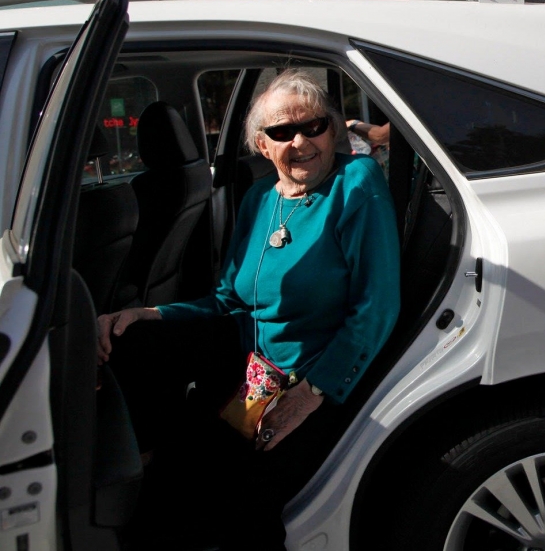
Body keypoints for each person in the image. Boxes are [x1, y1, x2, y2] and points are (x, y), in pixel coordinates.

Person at [96, 69, 401, 549]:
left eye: (313, 126)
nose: (300, 141)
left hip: (318, 379)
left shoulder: (355, 183)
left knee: (240, 501)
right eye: (282, 132)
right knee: (138, 356)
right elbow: (229, 300)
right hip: (252, 374)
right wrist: (151, 314)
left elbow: (376, 306)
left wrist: (308, 396)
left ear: (334, 128)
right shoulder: (262, 197)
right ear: (262, 145)